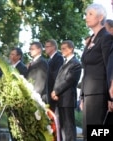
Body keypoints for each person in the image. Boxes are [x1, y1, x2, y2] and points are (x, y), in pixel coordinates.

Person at [80, 3, 113, 141]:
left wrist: (111, 96)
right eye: (86, 14)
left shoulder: (106, 37)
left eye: (90, 14)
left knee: (98, 133)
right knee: (88, 133)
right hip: (88, 94)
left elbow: (109, 65)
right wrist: (82, 95)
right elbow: (86, 70)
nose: (86, 17)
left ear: (100, 17)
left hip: (99, 93)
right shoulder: (90, 40)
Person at [51, 40, 82, 141]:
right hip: (60, 98)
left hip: (67, 99)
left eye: (64, 48)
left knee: (68, 128)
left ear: (71, 49)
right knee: (62, 128)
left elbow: (68, 81)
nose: (62, 50)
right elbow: (59, 79)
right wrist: (54, 91)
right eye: (61, 48)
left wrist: (56, 91)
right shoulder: (65, 63)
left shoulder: (76, 64)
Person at [45, 39, 64, 112]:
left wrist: (55, 91)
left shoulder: (58, 58)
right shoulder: (49, 60)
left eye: (47, 47)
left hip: (53, 92)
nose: (45, 49)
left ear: (53, 47)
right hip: (48, 92)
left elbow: (57, 75)